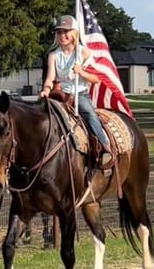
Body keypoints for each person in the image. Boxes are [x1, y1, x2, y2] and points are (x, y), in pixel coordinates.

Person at [39, 15, 113, 168]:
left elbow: (95, 78)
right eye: (59, 32)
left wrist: (81, 72)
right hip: (61, 94)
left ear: (74, 33)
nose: (62, 36)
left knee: (90, 115)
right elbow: (50, 77)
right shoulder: (53, 55)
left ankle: (105, 146)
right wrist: (46, 90)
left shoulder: (83, 52)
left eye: (66, 32)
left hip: (80, 94)